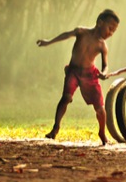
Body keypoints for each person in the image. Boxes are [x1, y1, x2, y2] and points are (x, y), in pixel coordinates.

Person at [37, 9, 120, 145]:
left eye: (113, 31)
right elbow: (65, 35)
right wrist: (48, 42)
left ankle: (102, 133)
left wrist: (104, 73)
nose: (110, 33)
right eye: (110, 28)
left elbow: (105, 65)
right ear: (100, 22)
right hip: (73, 71)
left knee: (100, 108)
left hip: (90, 74)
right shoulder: (82, 32)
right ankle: (55, 128)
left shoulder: (102, 45)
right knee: (66, 98)